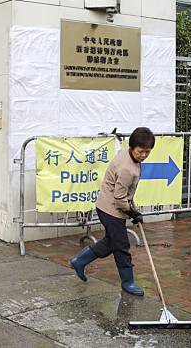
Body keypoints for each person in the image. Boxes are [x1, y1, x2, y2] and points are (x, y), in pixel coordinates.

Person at [69, 127, 155, 296]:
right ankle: (128, 282)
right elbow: (119, 198)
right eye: (140, 152)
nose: (143, 155)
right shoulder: (126, 169)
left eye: (147, 152)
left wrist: (131, 208)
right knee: (121, 246)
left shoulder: (127, 154)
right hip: (111, 210)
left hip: (109, 205)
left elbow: (124, 193)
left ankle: (79, 261)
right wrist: (132, 213)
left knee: (111, 242)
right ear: (132, 148)